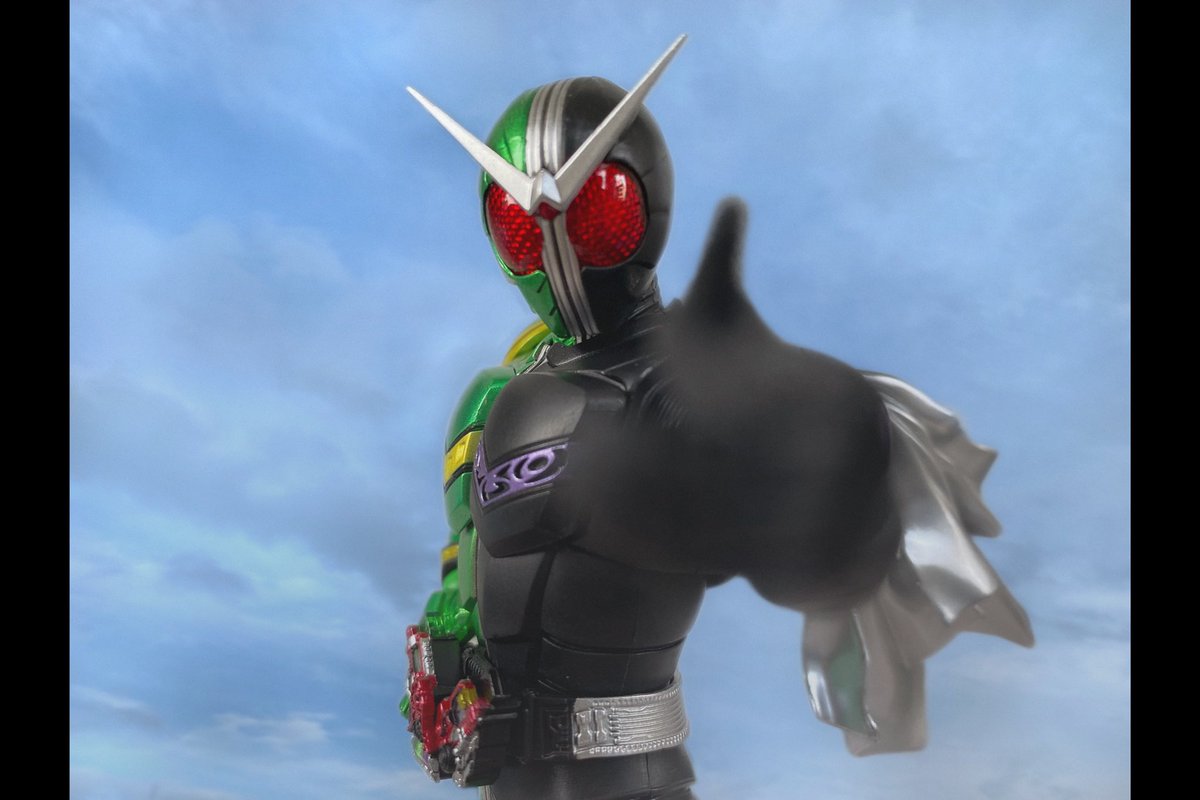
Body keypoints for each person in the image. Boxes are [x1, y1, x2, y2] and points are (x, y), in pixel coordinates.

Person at [401, 36, 1033, 800]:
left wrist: (824, 438)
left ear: (645, 201)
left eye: (593, 208)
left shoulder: (673, 389)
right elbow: (463, 564)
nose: (553, 229)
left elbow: (814, 531)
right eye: (519, 219)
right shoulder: (492, 398)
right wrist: (442, 659)